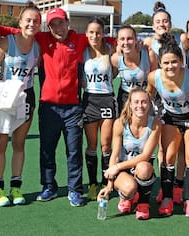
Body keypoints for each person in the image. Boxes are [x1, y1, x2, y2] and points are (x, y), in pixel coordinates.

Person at [0, 7, 115, 207]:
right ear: (48, 27)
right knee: (47, 150)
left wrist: (137, 41)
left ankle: (75, 190)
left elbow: (104, 40)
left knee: (74, 151)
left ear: (68, 23)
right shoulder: (42, 38)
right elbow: (15, 31)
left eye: (61, 23)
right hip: (48, 107)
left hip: (73, 108)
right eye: (53, 24)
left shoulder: (79, 40)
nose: (58, 27)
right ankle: (48, 186)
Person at [146, 33, 189, 216]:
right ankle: (167, 196)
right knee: (168, 157)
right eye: (166, 63)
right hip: (171, 118)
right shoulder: (153, 77)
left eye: (174, 62)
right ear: (160, 63)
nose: (170, 66)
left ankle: (187, 197)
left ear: (181, 61)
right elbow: (148, 96)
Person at [0, 3, 40, 207]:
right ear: (20, 22)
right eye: (28, 20)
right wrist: (3, 88)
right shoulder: (7, 42)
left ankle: (16, 187)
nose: (32, 24)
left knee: (19, 144)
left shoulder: (38, 45)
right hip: (5, 98)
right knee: (1, 144)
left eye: (36, 21)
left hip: (27, 97)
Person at [142, 1, 185, 205]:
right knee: (161, 146)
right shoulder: (148, 42)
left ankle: (178, 185)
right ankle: (162, 185)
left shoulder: (181, 41)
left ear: (170, 23)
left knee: (179, 147)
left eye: (165, 21)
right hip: (158, 96)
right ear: (153, 25)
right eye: (158, 21)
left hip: (180, 94)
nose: (162, 24)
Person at [98, 88, 161, 220]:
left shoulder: (155, 123)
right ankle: (126, 196)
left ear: (149, 104)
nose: (140, 106)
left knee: (144, 168)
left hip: (141, 167)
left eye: (144, 102)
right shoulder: (120, 123)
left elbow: (145, 156)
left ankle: (143, 203)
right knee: (129, 187)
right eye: (136, 102)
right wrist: (109, 185)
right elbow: (114, 154)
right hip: (123, 169)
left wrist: (117, 167)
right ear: (130, 104)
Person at [82, 17, 117, 200]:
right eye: (91, 32)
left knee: (105, 145)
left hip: (107, 100)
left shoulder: (111, 51)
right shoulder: (83, 52)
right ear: (86, 34)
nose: (94, 35)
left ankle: (107, 182)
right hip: (89, 100)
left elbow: (117, 70)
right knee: (92, 145)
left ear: (103, 34)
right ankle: (92, 184)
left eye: (98, 32)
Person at [111, 25, 158, 114]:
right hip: (125, 97)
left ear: (136, 40)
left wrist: (147, 98)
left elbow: (155, 80)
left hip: (145, 95)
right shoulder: (115, 59)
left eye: (129, 38)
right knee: (124, 126)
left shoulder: (148, 54)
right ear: (117, 41)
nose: (126, 42)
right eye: (122, 39)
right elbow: (112, 76)